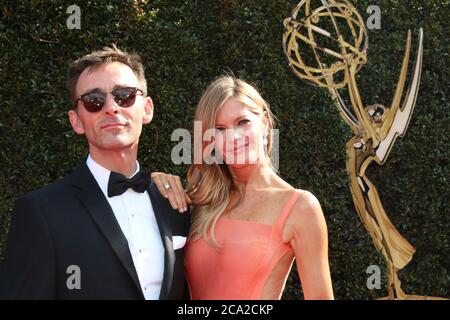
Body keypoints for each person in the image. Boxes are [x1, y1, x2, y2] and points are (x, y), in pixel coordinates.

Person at [0, 45, 190, 299]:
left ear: (147, 109)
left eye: (124, 95)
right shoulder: (40, 213)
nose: (111, 108)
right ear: (76, 120)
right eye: (94, 101)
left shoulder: (175, 202)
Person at [152, 75, 334, 299]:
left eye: (243, 122)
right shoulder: (201, 199)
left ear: (265, 123)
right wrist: (155, 182)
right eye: (220, 129)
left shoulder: (300, 207)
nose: (234, 137)